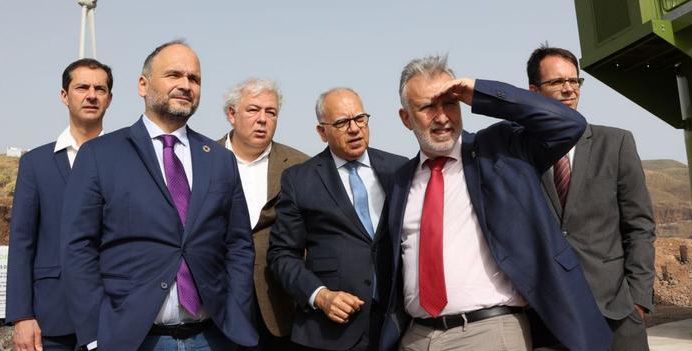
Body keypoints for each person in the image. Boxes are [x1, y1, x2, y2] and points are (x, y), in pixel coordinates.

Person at [380, 54, 612, 351]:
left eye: (449, 103)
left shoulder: (500, 149)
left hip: (488, 332)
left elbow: (568, 124)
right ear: (405, 117)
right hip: (417, 337)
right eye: (428, 107)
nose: (442, 117)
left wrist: (481, 92)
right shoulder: (401, 180)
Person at [61, 41, 257, 351]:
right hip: (133, 340)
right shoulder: (100, 155)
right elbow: (78, 248)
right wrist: (95, 333)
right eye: (174, 75)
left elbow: (239, 246)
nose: (185, 85)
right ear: (143, 84)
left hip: (214, 338)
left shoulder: (220, 159)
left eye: (194, 79)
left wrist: (237, 312)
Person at [525, 46, 655, 351]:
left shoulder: (616, 142)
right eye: (557, 82)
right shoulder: (519, 152)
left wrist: (638, 299)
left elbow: (640, 226)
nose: (569, 89)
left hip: (617, 313)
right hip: (547, 317)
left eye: (575, 81)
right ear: (533, 91)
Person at [268, 88, 405, 351]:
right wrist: (320, 296)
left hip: (396, 326)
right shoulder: (299, 180)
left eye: (360, 119)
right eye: (342, 123)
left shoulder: (399, 169)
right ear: (322, 132)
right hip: (330, 331)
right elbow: (282, 254)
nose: (354, 129)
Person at [6, 58, 113, 351]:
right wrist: (21, 315)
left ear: (110, 98)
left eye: (100, 89)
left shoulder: (126, 159)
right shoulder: (35, 164)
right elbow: (22, 241)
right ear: (64, 96)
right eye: (82, 87)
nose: (91, 94)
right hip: (51, 318)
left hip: (115, 312)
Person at [218, 78, 309, 349]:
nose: (262, 119)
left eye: (271, 112)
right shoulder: (201, 158)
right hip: (216, 304)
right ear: (232, 114)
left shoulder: (300, 166)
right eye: (253, 110)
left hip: (279, 305)